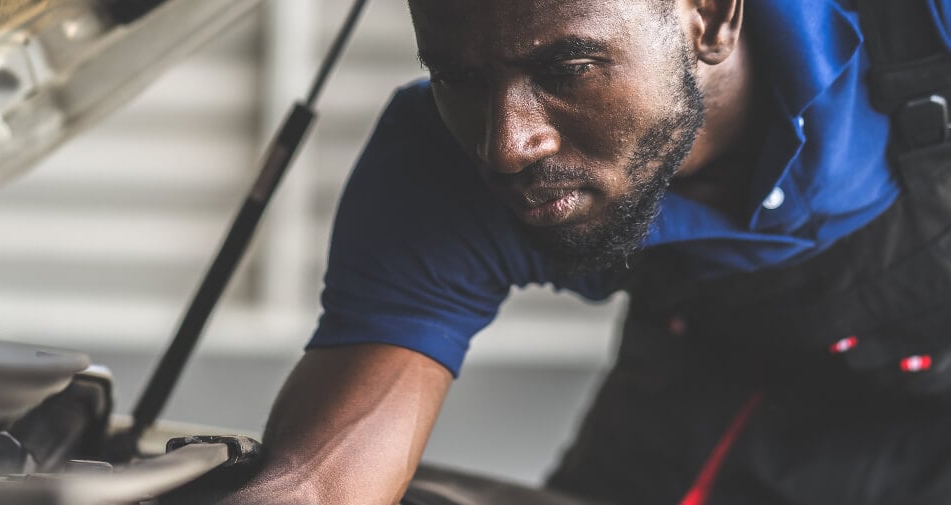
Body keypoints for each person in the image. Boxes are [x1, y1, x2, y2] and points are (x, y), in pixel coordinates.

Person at [213, 0, 951, 503]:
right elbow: (321, 480)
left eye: (566, 69)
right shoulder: (439, 165)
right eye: (459, 78)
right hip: (690, 405)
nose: (505, 146)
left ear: (710, 15)